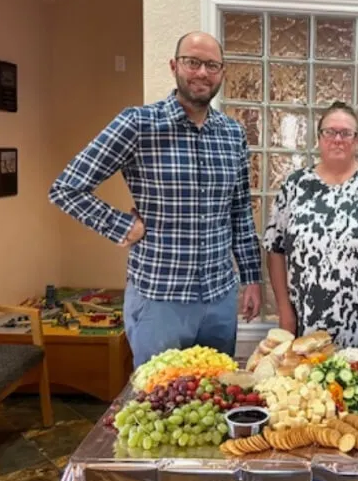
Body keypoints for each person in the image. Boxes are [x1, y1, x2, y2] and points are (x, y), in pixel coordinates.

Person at [49, 31, 261, 368]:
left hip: (220, 299)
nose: (202, 73)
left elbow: (239, 211)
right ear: (175, 66)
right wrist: (122, 226)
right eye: (193, 62)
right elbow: (66, 189)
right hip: (160, 299)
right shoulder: (138, 124)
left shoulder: (232, 133)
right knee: (157, 403)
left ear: (222, 72)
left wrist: (251, 277)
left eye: (211, 65)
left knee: (216, 400)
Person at [263, 101, 358, 352]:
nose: (337, 139)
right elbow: (274, 249)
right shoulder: (296, 185)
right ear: (319, 138)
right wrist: (284, 310)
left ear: (357, 141)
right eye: (330, 132)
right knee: (310, 389)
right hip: (308, 323)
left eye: (346, 133)